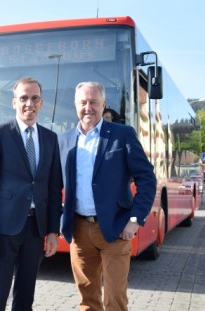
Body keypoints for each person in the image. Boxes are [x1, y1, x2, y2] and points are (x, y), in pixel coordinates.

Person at [59, 81, 157, 311]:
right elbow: (53, 186)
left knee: (115, 300)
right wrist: (59, 222)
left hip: (115, 228)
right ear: (75, 105)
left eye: (94, 102)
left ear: (103, 104)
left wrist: (135, 220)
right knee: (87, 300)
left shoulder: (122, 135)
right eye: (83, 102)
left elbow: (146, 178)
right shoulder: (63, 140)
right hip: (79, 231)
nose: (88, 107)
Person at [0, 77, 63, 310]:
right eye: (24, 98)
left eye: (34, 98)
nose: (29, 103)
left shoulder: (50, 138)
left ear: (42, 103)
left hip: (36, 229)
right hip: (3, 230)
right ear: (14, 102)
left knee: (25, 298)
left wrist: (53, 231)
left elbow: (54, 188)